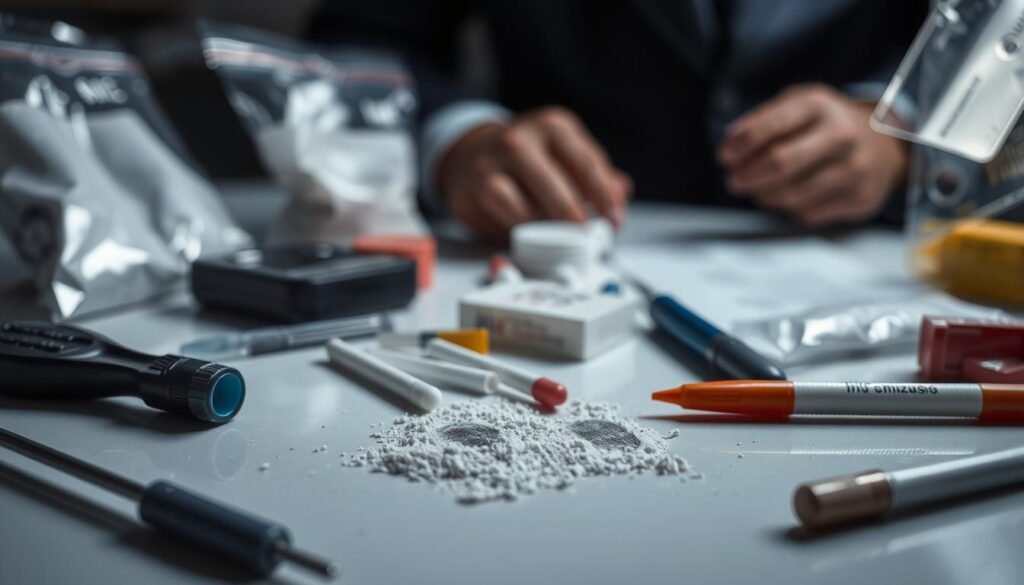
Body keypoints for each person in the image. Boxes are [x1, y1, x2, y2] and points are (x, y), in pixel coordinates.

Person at [309, 1, 929, 240]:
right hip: (547, 242)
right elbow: (356, 42)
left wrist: (903, 132)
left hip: (885, 265)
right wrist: (459, 141)